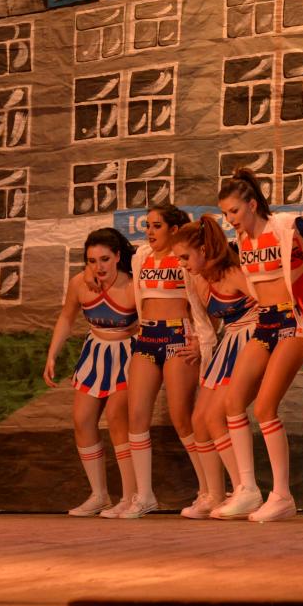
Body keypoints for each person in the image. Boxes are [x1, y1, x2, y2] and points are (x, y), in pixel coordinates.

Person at [212, 168, 303, 522]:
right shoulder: (241, 240)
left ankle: (281, 495)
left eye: (234, 211)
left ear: (251, 204)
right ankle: (248, 489)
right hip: (265, 322)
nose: (230, 219)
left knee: (264, 407)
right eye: (225, 213)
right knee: (232, 403)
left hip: (294, 322)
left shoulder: (286, 225)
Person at [42, 228, 138, 517]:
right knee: (82, 419)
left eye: (105, 259)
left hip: (129, 353)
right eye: (92, 261)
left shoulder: (133, 284)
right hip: (95, 352)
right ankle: (99, 495)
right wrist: (52, 354)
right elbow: (66, 317)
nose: (99, 267)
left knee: (117, 418)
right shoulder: (79, 283)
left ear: (118, 256)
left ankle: (131, 496)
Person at [122, 204, 206, 518]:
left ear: (174, 229)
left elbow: (204, 300)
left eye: (156, 226)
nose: (149, 232)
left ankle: (208, 490)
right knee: (136, 416)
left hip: (178, 336)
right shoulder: (141, 256)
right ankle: (144, 496)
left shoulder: (185, 257)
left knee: (181, 417)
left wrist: (202, 339)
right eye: (147, 226)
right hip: (147, 337)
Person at [174, 215, 258, 519]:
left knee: (215, 416)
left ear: (204, 250)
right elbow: (204, 322)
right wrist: (201, 345)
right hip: (228, 342)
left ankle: (245, 490)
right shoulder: (197, 279)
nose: (182, 264)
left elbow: (270, 303)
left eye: (185, 257)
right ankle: (214, 494)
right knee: (199, 420)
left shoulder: (234, 273)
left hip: (251, 337)